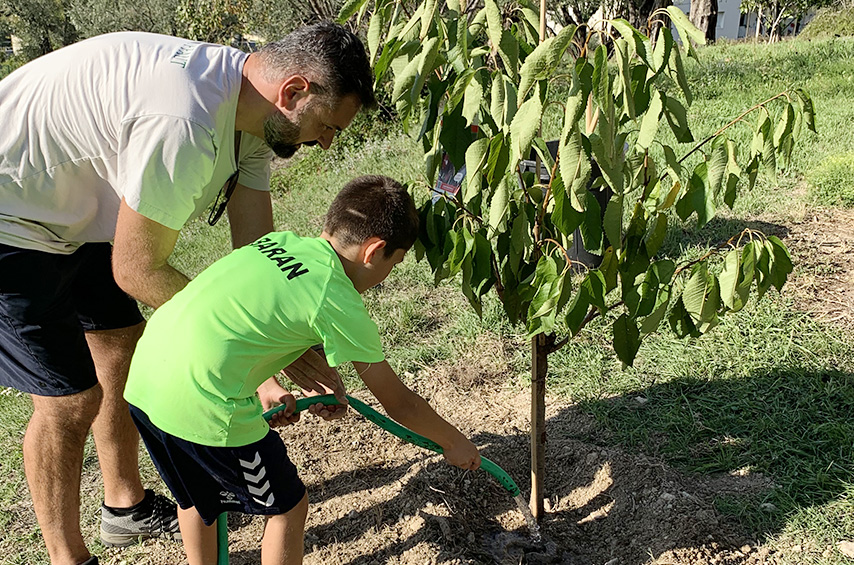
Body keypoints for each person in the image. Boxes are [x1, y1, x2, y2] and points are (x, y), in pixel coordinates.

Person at [0, 22, 375, 565]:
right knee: (69, 400)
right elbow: (136, 270)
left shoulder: (248, 108)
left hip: (74, 212)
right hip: (12, 215)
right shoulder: (186, 119)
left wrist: (281, 351)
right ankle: (67, 557)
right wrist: (253, 356)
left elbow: (257, 258)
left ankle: (123, 508)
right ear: (294, 92)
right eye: (326, 125)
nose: (325, 141)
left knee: (121, 348)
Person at [122, 175, 482, 565]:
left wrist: (268, 384)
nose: (387, 276)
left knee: (196, 500)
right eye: (393, 264)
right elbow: (400, 403)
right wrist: (453, 441)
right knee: (287, 507)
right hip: (204, 406)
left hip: (146, 381)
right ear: (374, 251)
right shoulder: (335, 295)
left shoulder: (280, 245)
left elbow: (236, 323)